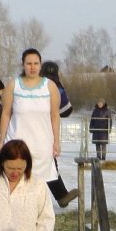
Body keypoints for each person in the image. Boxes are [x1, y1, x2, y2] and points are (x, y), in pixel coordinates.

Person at [0, 49, 65, 206]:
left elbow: (55, 116)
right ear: (23, 65)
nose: (32, 67)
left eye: (36, 63)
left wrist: (56, 141)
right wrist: (1, 141)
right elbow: (6, 114)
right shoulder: (13, 85)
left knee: (39, 189)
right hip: (17, 145)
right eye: (29, 63)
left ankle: (37, 222)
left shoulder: (50, 87)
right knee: (17, 187)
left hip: (42, 145)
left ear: (40, 65)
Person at [38, 60, 79, 207]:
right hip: (46, 131)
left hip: (27, 129)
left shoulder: (32, 85)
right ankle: (60, 196)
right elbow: (66, 111)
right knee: (48, 165)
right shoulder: (55, 87)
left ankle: (60, 195)